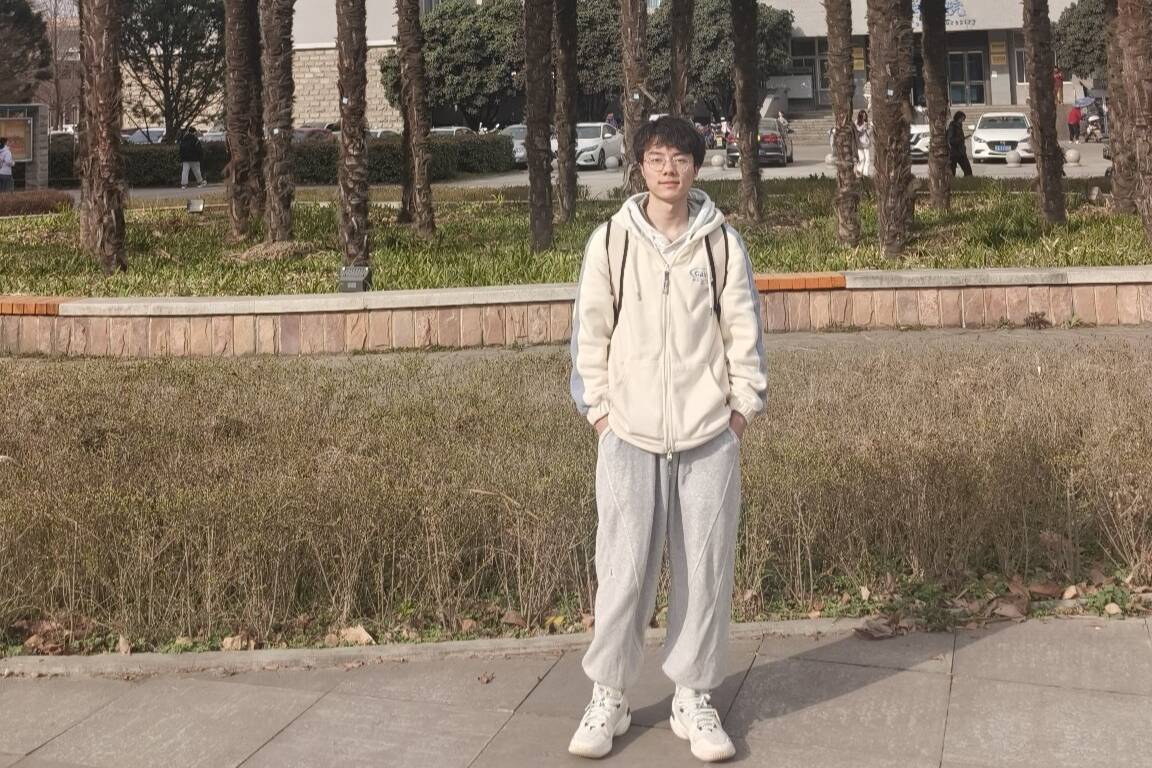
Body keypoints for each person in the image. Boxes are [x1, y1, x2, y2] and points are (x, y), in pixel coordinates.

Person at [568, 115, 766, 763]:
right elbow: (590, 335)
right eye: (656, 158)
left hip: (709, 436)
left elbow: (743, 332)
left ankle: (693, 696)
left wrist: (740, 412)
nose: (668, 169)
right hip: (628, 435)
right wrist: (602, 415)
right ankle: (609, 695)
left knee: (705, 572)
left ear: (696, 167)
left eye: (680, 158)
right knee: (622, 571)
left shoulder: (721, 243)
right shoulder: (611, 241)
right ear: (640, 167)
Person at [947, 111, 972, 177]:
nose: (963, 120)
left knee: (968, 171)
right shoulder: (952, 126)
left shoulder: (959, 125)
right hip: (954, 153)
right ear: (958, 118)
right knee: (952, 172)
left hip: (961, 152)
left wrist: (964, 138)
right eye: (962, 119)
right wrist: (962, 139)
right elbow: (951, 140)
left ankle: (968, 182)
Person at [854, 110, 872, 177]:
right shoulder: (856, 122)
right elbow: (856, 133)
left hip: (866, 143)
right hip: (859, 143)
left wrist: (870, 127)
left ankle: (865, 173)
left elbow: (869, 134)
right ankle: (859, 172)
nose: (864, 117)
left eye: (865, 115)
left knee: (868, 159)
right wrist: (862, 127)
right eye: (863, 115)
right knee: (862, 158)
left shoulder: (866, 123)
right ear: (860, 116)